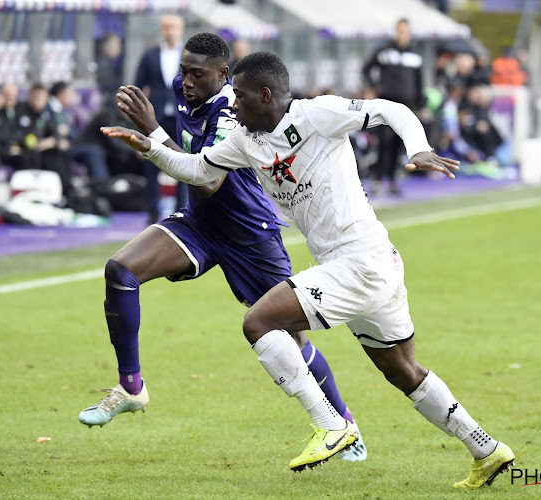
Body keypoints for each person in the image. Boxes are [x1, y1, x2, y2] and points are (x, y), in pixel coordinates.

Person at [102, 51, 514, 488]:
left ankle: (331, 423)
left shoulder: (319, 114)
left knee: (259, 321)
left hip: (363, 261)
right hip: (362, 266)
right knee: (403, 372)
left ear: (265, 94)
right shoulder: (245, 139)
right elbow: (197, 169)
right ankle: (486, 449)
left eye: (239, 97)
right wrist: (149, 147)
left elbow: (392, 110)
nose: (233, 106)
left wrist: (420, 149)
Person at [80, 34, 367, 462]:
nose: (187, 81)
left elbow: (209, 177)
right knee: (120, 271)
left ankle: (343, 423)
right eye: (183, 71)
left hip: (251, 236)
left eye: (198, 74)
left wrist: (153, 132)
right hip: (201, 224)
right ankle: (130, 387)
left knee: (290, 336)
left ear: (223, 75)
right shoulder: (183, 92)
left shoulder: (232, 110)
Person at [362, 18, 427, 195]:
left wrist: (420, 102)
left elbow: (419, 81)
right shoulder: (384, 51)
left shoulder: (415, 55)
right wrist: (373, 87)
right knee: (382, 142)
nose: (402, 34)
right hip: (386, 105)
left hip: (406, 106)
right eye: (400, 30)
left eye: (405, 31)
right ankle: (377, 180)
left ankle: (391, 180)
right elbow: (366, 69)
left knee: (398, 145)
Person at [134, 14, 187, 222]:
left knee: (183, 160)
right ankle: (153, 210)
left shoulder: (189, 56)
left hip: (181, 117)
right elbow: (138, 87)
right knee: (151, 162)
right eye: (166, 27)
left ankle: (181, 209)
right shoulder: (150, 55)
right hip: (155, 117)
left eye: (173, 27)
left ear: (181, 30)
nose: (170, 31)